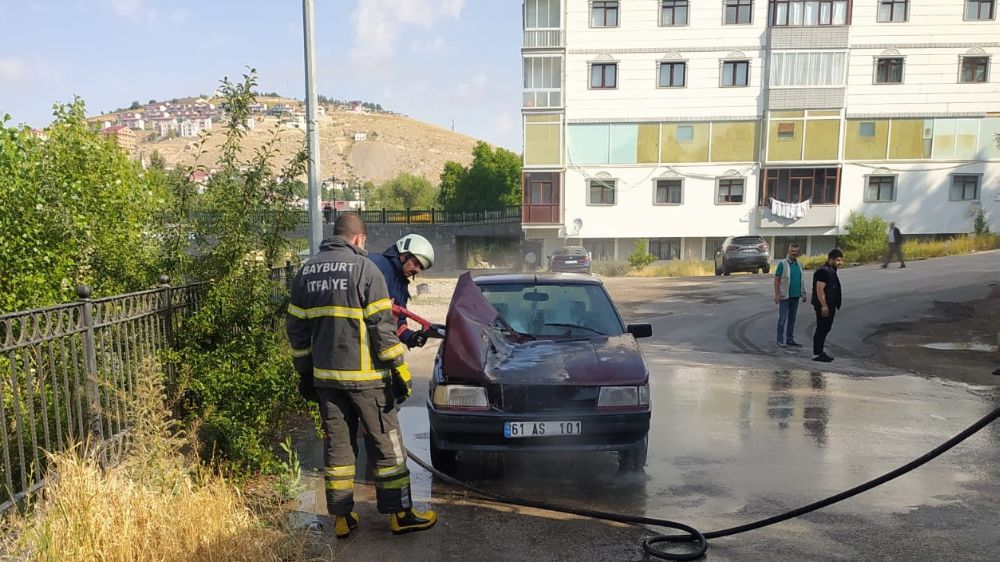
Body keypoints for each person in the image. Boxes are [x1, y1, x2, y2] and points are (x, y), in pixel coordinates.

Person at [286, 213, 437, 539]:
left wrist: (305, 374)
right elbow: (383, 329)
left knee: (338, 450)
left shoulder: (306, 272)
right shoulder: (366, 269)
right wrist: (399, 369)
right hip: (368, 379)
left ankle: (341, 517)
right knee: (388, 447)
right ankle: (400, 514)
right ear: (358, 239)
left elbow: (296, 331)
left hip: (327, 381)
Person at [369, 234, 436, 349]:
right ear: (403, 255)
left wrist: (411, 337)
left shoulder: (401, 285)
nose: (417, 270)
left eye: (421, 267)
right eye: (415, 263)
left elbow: (398, 322)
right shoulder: (375, 264)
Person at [811, 248, 844, 363]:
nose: (840, 263)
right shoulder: (823, 271)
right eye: (838, 260)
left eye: (841, 260)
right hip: (823, 304)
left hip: (830, 304)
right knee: (822, 328)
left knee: (826, 328)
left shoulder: (831, 270)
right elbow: (820, 289)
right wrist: (824, 305)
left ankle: (820, 351)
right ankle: (817, 353)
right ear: (831, 259)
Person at [773, 243, 808, 348]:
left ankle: (790, 339)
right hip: (785, 296)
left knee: (792, 319)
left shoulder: (799, 264)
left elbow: (800, 280)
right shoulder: (782, 264)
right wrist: (777, 294)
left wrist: (803, 294)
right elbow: (777, 279)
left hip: (796, 296)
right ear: (789, 251)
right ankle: (780, 340)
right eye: (792, 251)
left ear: (798, 253)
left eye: (796, 251)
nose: (794, 253)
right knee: (783, 318)